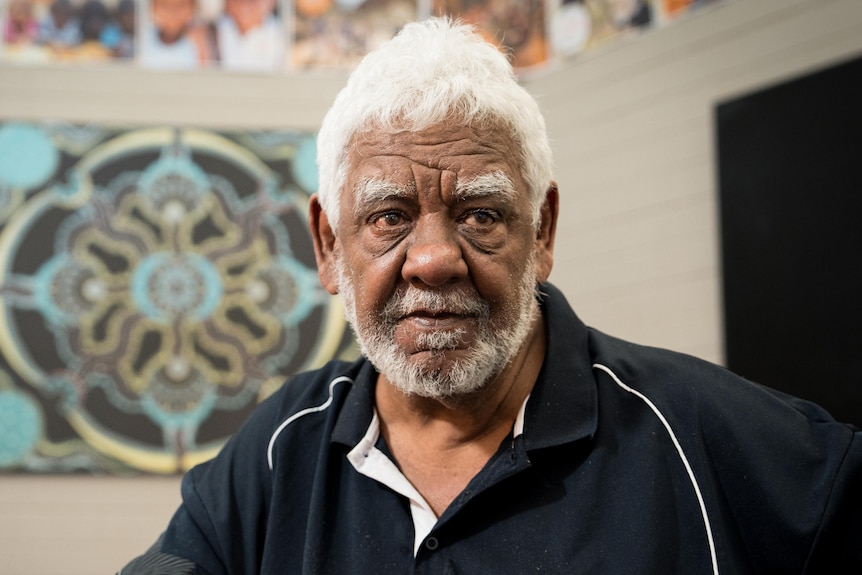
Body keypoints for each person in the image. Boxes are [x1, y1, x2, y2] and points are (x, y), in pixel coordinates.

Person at [119, 17, 861, 574]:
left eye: (480, 213)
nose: (435, 260)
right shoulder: (278, 458)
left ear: (541, 231)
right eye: (388, 216)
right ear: (327, 245)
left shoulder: (712, 440)